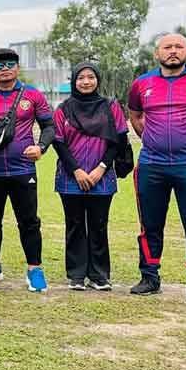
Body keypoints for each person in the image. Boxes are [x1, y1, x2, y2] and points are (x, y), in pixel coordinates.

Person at [127, 33, 186, 303]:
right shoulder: (142, 83)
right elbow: (135, 115)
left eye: (178, 47)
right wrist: (149, 138)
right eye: (167, 47)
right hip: (151, 165)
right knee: (150, 224)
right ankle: (149, 277)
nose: (173, 51)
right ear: (157, 53)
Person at [0, 48, 55, 292]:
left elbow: (49, 126)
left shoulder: (33, 95)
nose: (5, 68)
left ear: (18, 69)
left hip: (23, 170)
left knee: (29, 221)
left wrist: (40, 147)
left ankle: (34, 269)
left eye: (10, 64)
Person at [52, 63, 128, 291]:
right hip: (70, 176)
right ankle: (76, 275)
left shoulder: (111, 107)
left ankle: (99, 275)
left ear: (97, 80)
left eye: (91, 77)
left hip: (101, 177)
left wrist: (101, 168)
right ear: (74, 81)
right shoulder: (63, 109)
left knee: (98, 225)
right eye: (81, 78)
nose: (86, 82)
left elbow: (119, 140)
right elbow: (59, 142)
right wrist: (76, 170)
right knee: (74, 224)